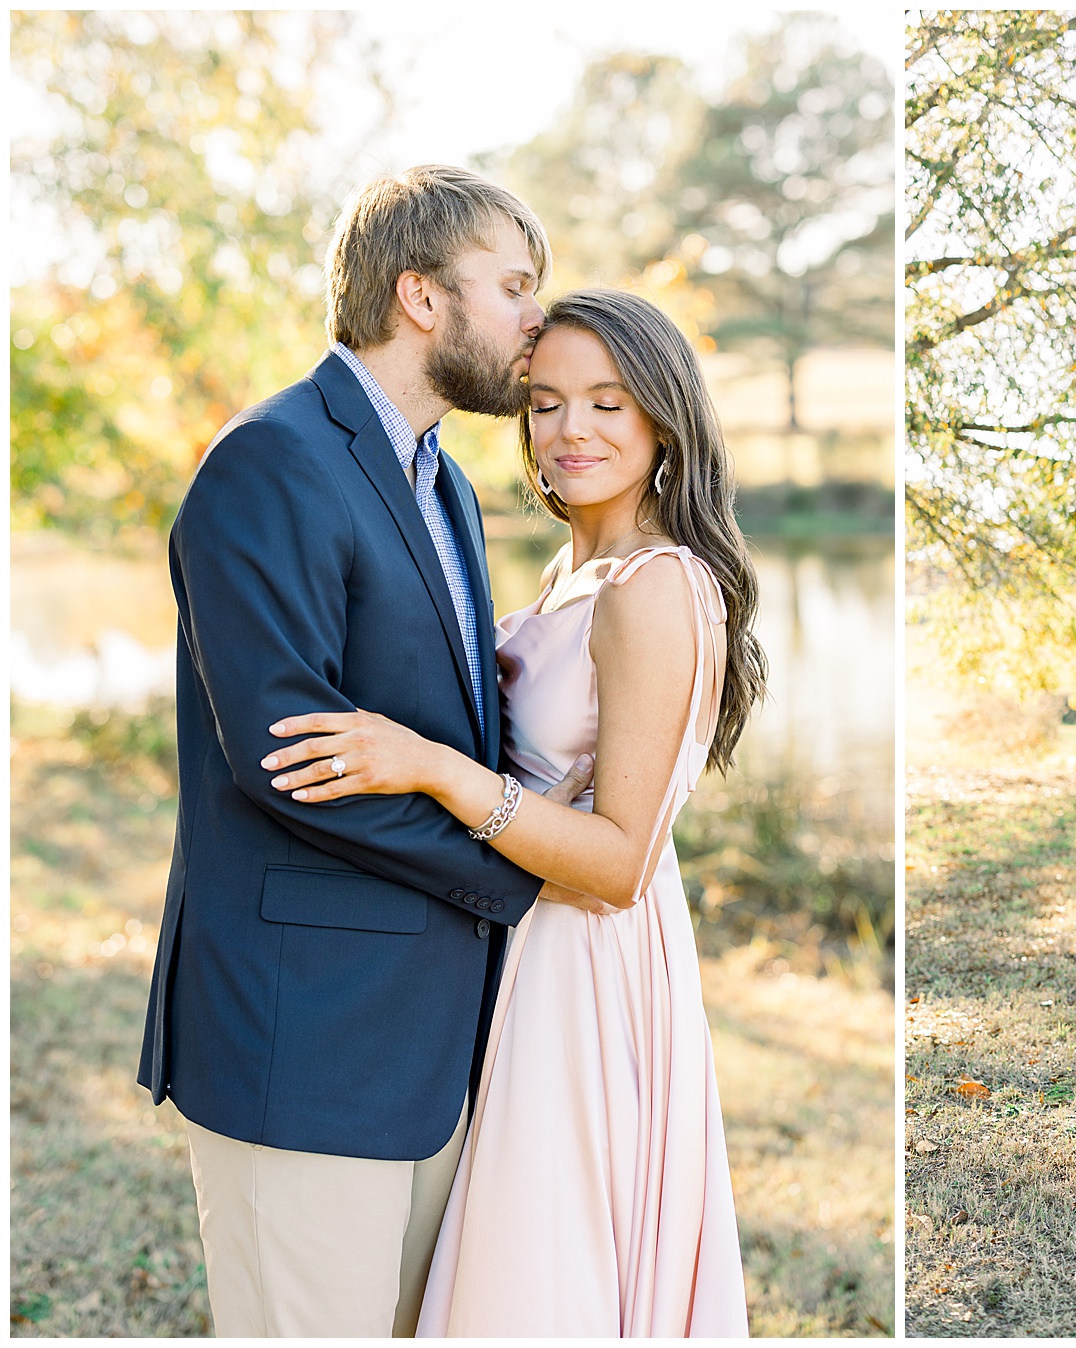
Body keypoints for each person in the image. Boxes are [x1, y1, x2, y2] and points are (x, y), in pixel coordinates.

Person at [136, 166, 588, 1335]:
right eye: (514, 285)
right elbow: (291, 757)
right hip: (304, 1038)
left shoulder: (443, 485)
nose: (536, 315)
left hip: (427, 1046)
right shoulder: (273, 460)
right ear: (421, 298)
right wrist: (519, 867)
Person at [260, 288, 765, 1335]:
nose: (569, 430)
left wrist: (439, 769)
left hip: (580, 965)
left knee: (540, 1274)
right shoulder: (573, 568)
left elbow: (620, 862)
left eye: (607, 404)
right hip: (514, 937)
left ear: (665, 420)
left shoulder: (653, 586)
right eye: (545, 403)